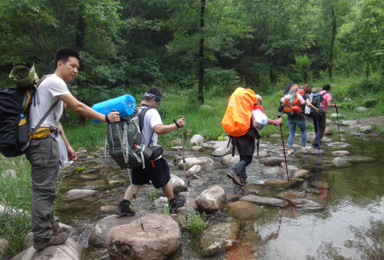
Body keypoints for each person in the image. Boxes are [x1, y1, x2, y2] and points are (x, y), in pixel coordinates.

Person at [25, 48, 120, 250]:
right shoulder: (54, 82)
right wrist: (104, 118)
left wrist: (67, 146)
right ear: (60, 64)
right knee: (44, 190)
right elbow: (78, 106)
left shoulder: (46, 82)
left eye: (78, 67)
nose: (76, 70)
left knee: (47, 189)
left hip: (45, 139)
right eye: (72, 65)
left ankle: (50, 227)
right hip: (42, 143)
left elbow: (55, 123)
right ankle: (42, 236)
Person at [116, 87, 186, 217]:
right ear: (153, 100)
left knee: (136, 182)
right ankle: (173, 202)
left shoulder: (133, 111)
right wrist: (176, 125)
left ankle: (123, 205)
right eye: (158, 103)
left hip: (136, 154)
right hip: (150, 156)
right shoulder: (151, 112)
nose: (157, 105)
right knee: (165, 178)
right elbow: (158, 129)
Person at [226, 94, 283, 186]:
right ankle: (234, 171)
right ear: (258, 100)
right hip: (247, 135)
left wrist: (232, 136)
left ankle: (242, 179)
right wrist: (276, 122)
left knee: (242, 157)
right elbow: (263, 119)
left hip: (235, 134)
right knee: (248, 158)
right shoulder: (256, 106)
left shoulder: (241, 107)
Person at [281, 83, 318, 155]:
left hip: (290, 116)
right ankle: (304, 147)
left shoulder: (292, 93)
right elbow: (308, 104)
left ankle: (289, 149)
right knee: (303, 131)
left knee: (291, 133)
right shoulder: (305, 94)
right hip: (299, 117)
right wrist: (316, 109)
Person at [312, 84, 338, 148]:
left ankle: (317, 139)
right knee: (322, 128)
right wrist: (334, 105)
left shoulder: (318, 93)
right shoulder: (328, 94)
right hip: (322, 112)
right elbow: (329, 104)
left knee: (316, 126)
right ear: (328, 89)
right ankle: (316, 142)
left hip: (314, 112)